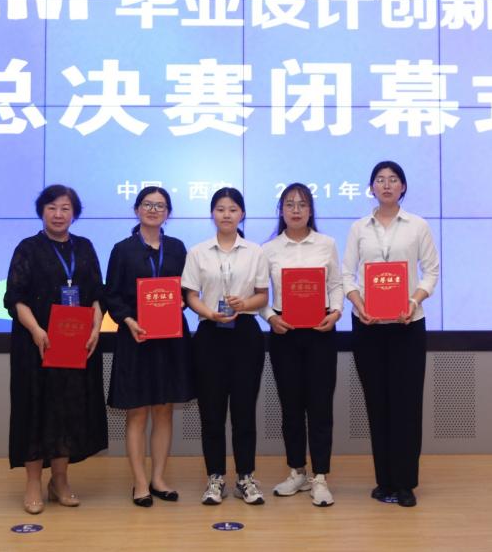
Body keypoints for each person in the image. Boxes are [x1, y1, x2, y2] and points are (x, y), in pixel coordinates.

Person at [4, 184, 108, 514]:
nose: (58, 214)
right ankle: (34, 482)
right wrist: (36, 330)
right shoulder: (28, 248)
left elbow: (97, 294)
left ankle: (60, 481)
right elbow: (15, 298)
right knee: (35, 410)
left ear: (74, 213)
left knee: (67, 410)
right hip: (36, 346)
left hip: (76, 344)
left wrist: (96, 327)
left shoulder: (85, 247)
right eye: (52, 208)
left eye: (65, 208)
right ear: (42, 212)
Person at [342, 161, 439, 508]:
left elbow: (431, 272)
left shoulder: (418, 226)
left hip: (407, 326)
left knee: (407, 405)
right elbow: (346, 274)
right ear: (371, 188)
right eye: (380, 180)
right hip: (368, 326)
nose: (386, 185)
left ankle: (405, 483)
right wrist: (359, 304)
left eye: (393, 180)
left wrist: (413, 301)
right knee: (377, 403)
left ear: (403, 187)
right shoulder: (359, 228)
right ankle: (384, 481)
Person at [103, 185, 195, 507]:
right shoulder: (122, 249)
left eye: (160, 206)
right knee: (138, 412)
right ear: (137, 209)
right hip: (136, 338)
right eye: (147, 204)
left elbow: (187, 290)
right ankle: (140, 483)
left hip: (170, 340)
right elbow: (112, 294)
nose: (153, 210)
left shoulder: (177, 248)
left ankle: (158, 478)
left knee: (164, 410)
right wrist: (128, 320)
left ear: (168, 213)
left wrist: (182, 302)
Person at [181, 187, 269, 506]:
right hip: (209, 333)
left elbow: (263, 295)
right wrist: (208, 312)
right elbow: (190, 295)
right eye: (220, 209)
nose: (226, 214)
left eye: (232, 209)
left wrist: (244, 303)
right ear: (212, 214)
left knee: (244, 410)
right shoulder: (198, 252)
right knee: (212, 412)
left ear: (242, 214)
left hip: (245, 332)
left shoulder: (255, 251)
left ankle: (245, 477)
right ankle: (215, 477)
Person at [260, 183, 342, 507]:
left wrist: (336, 312)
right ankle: (297, 470)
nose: (296, 210)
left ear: (311, 210)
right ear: (281, 211)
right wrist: (270, 317)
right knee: (291, 406)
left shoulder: (326, 244)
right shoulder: (268, 249)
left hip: (321, 330)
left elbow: (336, 284)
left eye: (302, 204)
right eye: (290, 204)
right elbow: (259, 293)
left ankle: (320, 476)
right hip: (285, 332)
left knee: (320, 406)